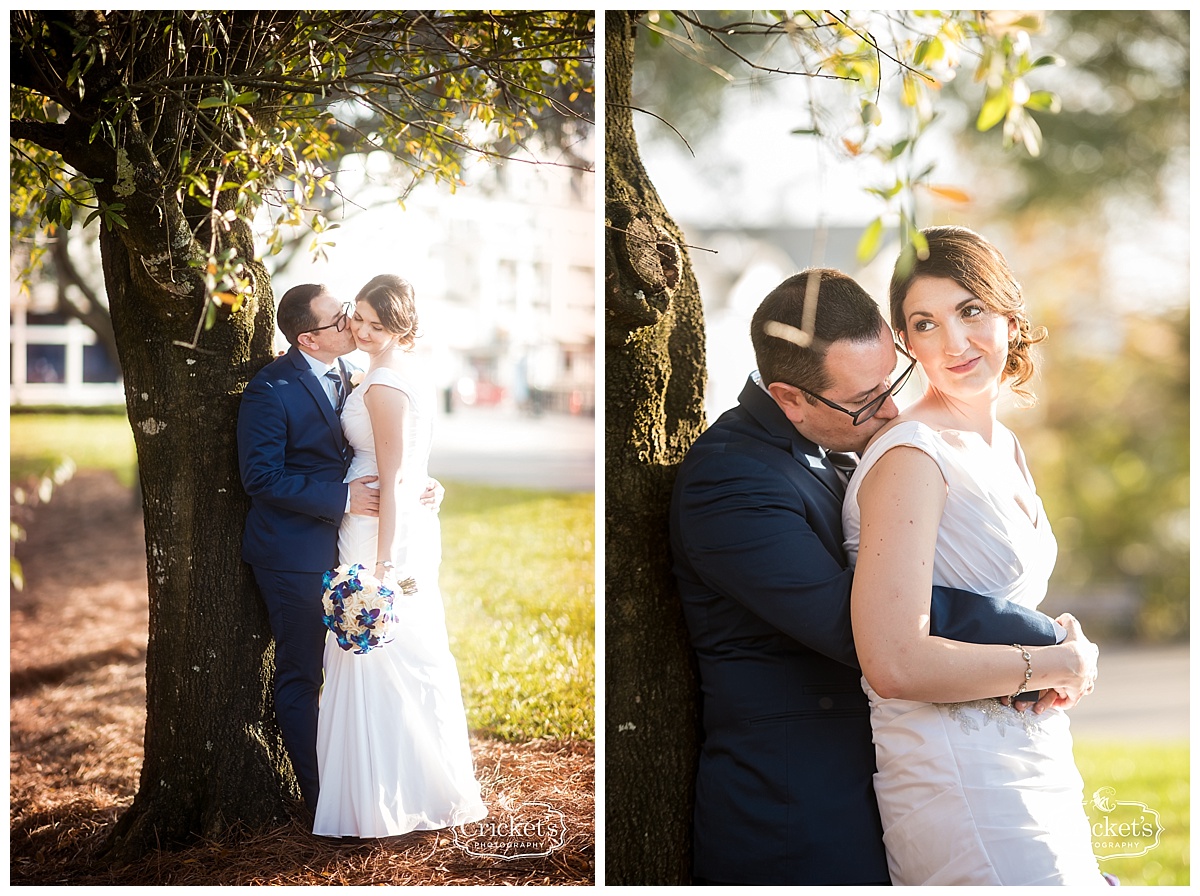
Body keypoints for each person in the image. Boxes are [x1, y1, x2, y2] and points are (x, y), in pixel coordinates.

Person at [669, 268, 1097, 885]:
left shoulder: (835, 439)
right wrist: (1038, 639)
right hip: (799, 810)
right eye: (867, 401)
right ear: (789, 396)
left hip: (893, 776)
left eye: (891, 379)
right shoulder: (732, 480)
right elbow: (858, 621)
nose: (892, 408)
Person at [843, 226, 1103, 885]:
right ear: (906, 341)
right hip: (957, 775)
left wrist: (1061, 642)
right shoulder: (912, 456)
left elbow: (993, 602)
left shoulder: (1002, 445)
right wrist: (1058, 662)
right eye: (925, 323)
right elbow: (894, 661)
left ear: (1009, 314)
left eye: (971, 311)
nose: (953, 342)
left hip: (1032, 754)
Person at [312, 274, 487, 838]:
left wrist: (382, 566)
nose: (361, 330)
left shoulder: (384, 384)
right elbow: (410, 465)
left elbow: (391, 477)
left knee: (383, 646)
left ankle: (389, 793)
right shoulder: (386, 373)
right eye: (357, 316)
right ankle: (386, 788)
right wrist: (427, 484)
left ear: (400, 328)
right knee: (387, 651)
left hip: (378, 531)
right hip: (385, 518)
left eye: (375, 324)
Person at [238, 283, 382, 815]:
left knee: (348, 671)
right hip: (291, 555)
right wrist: (344, 497)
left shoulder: (352, 375)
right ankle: (322, 800)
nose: (352, 322)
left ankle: (354, 782)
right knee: (303, 673)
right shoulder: (270, 389)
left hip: (347, 548)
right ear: (308, 338)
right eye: (340, 317)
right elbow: (261, 477)